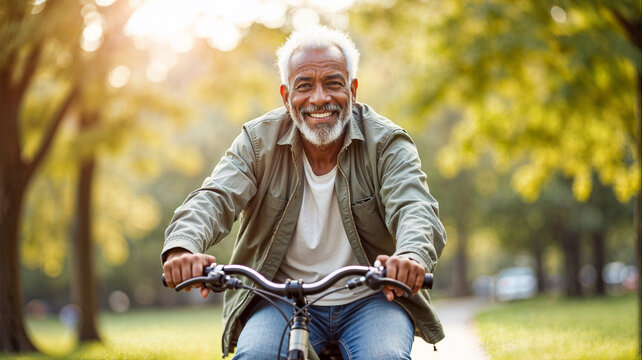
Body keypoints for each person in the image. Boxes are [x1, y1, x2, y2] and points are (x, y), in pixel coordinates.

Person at [161, 25, 446, 359]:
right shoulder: (257, 142)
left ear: (353, 90)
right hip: (279, 299)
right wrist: (182, 247)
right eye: (305, 86)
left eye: (333, 83)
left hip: (372, 299)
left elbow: (415, 206)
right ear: (286, 97)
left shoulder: (386, 143)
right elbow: (215, 196)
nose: (320, 98)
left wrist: (410, 256)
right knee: (255, 356)